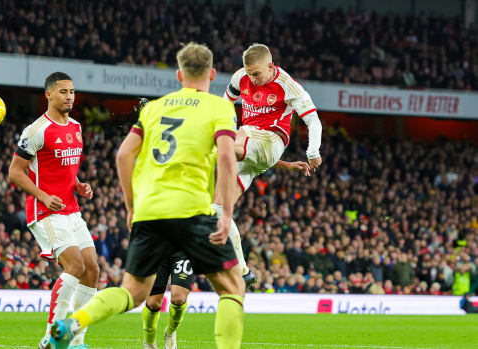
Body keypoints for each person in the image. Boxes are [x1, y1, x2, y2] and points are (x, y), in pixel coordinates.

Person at [50, 42, 245, 349]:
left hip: (150, 211)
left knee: (132, 292)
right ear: (214, 74)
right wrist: (226, 212)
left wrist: (131, 206)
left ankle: (74, 322)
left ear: (179, 75)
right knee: (233, 288)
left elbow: (124, 155)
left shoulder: (154, 108)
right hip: (192, 211)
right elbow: (225, 157)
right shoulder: (219, 108)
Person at [218, 43, 323, 286]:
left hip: (271, 139)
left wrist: (313, 151)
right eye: (248, 73)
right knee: (218, 211)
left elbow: (314, 121)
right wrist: (283, 165)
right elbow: (223, 108)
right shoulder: (240, 77)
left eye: (256, 73)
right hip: (252, 152)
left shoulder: (288, 85)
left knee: (223, 140)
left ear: (270, 65)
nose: (252, 79)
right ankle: (244, 270)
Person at [8, 72, 99, 349]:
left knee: (92, 270)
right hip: (45, 210)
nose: (69, 96)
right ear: (48, 95)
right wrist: (44, 196)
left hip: (70, 208)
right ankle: (52, 335)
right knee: (75, 265)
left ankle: (76, 338)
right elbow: (15, 172)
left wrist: (78, 185)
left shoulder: (76, 127)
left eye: (72, 91)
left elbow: (67, 170)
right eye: (63, 92)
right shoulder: (36, 131)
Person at [141, 251, 194, 349]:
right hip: (158, 249)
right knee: (153, 303)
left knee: (179, 299)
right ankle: (149, 341)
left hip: (183, 250)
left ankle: (170, 332)